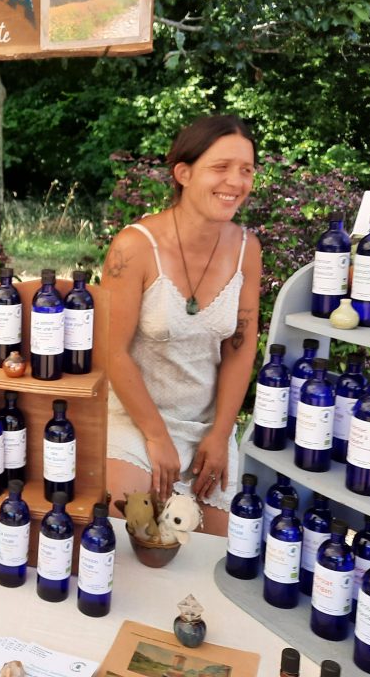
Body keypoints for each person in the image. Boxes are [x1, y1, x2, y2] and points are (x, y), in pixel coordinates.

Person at [101, 115, 262, 536]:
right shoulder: (134, 246)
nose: (236, 181)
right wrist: (156, 436)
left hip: (208, 429)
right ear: (183, 173)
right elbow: (111, 351)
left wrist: (221, 435)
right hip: (135, 422)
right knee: (134, 535)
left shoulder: (247, 249)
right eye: (221, 167)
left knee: (217, 553)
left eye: (246, 170)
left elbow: (240, 348)